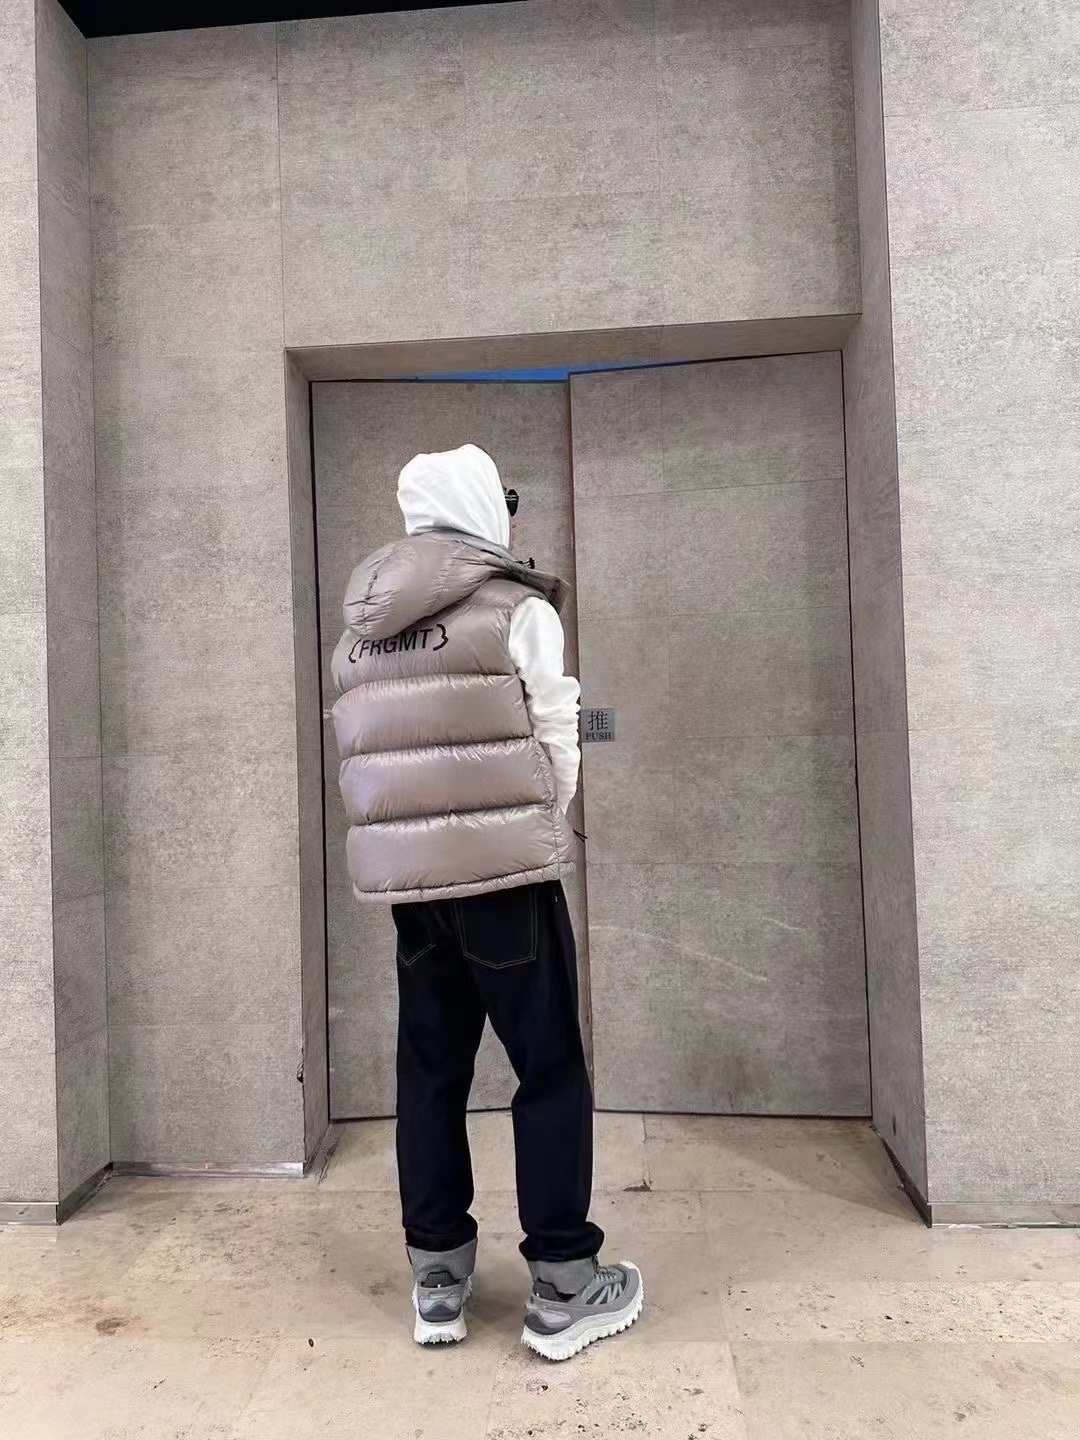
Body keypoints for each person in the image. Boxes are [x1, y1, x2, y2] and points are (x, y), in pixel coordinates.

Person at [330, 443, 642, 1361]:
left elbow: (367, 757)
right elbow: (558, 731)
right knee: (548, 1069)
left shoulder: (360, 632)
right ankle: (564, 1283)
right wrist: (542, 826)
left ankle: (437, 1277)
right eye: (503, 498)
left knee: (430, 1071)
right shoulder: (515, 609)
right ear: (480, 505)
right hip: (509, 884)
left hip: (414, 893)